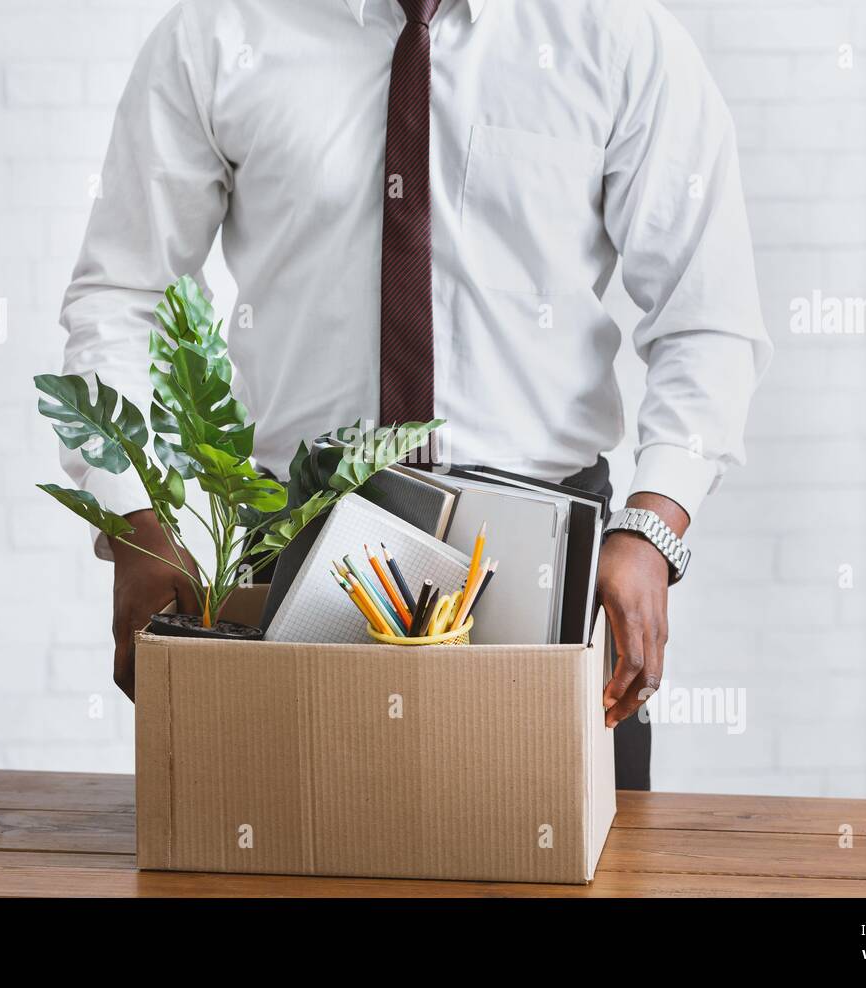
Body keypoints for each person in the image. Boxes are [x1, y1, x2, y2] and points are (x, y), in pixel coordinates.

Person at [57, 0, 770, 791]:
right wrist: (133, 521)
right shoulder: (221, 33)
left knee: (575, 870)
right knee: (279, 868)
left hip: (545, 562)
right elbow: (121, 294)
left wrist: (652, 528)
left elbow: (707, 317)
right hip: (292, 549)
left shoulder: (618, 36)